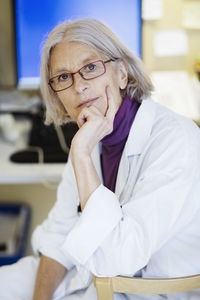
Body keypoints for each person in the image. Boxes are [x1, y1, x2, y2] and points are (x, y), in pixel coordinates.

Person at [0, 18, 200, 300]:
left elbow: (119, 258)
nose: (78, 86)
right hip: (90, 275)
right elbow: (59, 237)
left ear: (123, 74)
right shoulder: (91, 138)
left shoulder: (175, 140)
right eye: (63, 77)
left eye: (91, 67)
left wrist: (80, 155)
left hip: (148, 291)